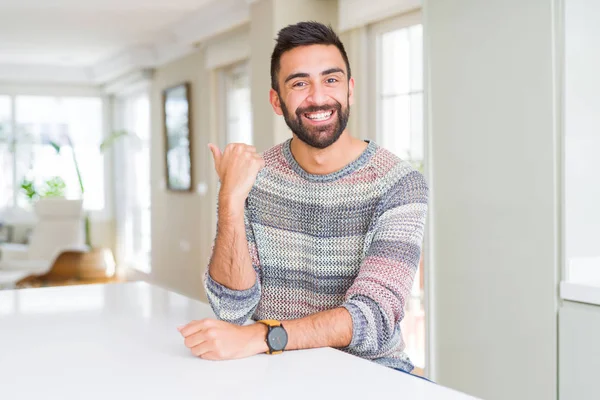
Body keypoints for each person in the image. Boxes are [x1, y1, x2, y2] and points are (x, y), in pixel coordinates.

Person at [178, 21, 429, 374]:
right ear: (276, 101)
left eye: (331, 79)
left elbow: (374, 319)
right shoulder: (256, 177)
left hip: (369, 376)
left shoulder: (398, 184)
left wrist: (262, 338)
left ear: (350, 90)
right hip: (272, 372)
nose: (318, 97)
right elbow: (231, 310)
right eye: (299, 83)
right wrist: (230, 201)